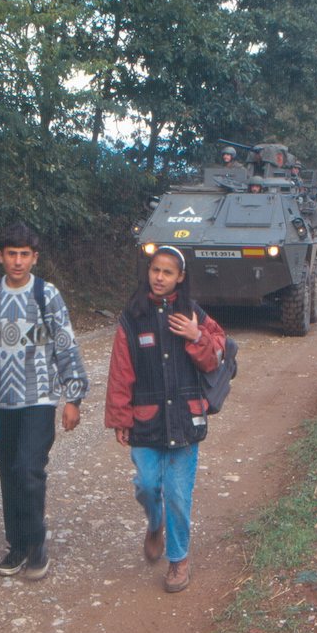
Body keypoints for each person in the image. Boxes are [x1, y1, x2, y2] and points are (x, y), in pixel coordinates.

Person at [105, 245, 226, 593]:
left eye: (167, 272)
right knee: (146, 486)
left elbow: (216, 354)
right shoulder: (133, 317)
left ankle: (178, 560)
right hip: (146, 420)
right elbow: (120, 371)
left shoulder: (194, 314)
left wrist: (196, 336)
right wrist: (120, 417)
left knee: (177, 493)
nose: (159, 277)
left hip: (186, 421)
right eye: (155, 270)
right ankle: (154, 523)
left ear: (181, 277)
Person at [0, 222, 89, 580]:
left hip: (38, 398)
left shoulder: (46, 294)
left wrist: (73, 397)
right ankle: (18, 545)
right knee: (9, 475)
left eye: (24, 254)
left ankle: (37, 542)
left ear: (35, 257)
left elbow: (65, 344)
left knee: (28, 470)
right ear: (0, 256)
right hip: (1, 403)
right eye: (12, 254)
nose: (18, 261)